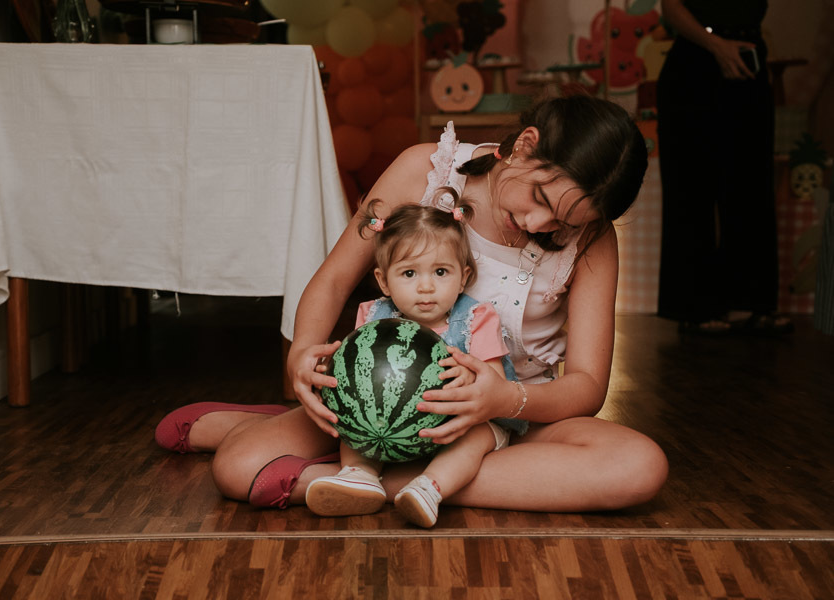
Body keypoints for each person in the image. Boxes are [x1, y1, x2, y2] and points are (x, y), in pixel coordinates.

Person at [155, 94, 669, 514]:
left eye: (563, 223)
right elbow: (334, 281)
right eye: (539, 199)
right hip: (378, 401)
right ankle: (410, 478)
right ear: (525, 146)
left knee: (638, 467)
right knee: (237, 468)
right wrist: (301, 356)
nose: (539, 225)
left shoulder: (592, 239)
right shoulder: (426, 172)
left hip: (506, 421)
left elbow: (587, 385)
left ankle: (375, 481)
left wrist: (501, 401)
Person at [305, 199, 524, 528]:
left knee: (477, 436)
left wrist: (470, 378)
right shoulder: (373, 316)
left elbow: (495, 386)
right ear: (383, 281)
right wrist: (332, 379)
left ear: (462, 277)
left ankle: (430, 487)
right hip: (391, 429)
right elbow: (359, 379)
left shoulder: (476, 318)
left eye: (441, 272)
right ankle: (359, 475)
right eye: (409, 273)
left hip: (459, 425)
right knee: (352, 423)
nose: (426, 286)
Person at [656, 0, 792, 335]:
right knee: (690, 188)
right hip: (695, 62)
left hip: (747, 60)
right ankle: (693, 306)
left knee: (752, 187)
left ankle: (751, 302)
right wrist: (716, 45)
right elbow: (671, 7)